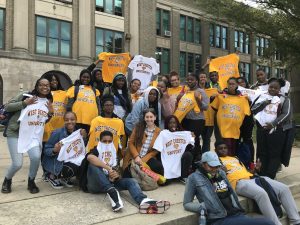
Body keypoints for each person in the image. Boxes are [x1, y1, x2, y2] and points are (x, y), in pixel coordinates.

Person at [216, 141, 300, 225]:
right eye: (220, 149)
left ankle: (296, 220)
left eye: (225, 148)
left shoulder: (235, 158)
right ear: (215, 150)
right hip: (239, 182)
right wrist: (221, 172)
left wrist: (256, 169)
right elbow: (214, 178)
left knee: (284, 188)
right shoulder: (216, 162)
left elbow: (246, 171)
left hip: (254, 178)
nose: (223, 150)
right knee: (261, 193)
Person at [183, 151, 275, 225]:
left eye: (217, 166)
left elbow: (231, 193)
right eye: (211, 166)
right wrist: (201, 207)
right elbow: (187, 203)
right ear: (203, 164)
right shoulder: (194, 178)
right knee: (268, 223)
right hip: (219, 219)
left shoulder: (221, 173)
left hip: (236, 213)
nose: (215, 169)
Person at [86, 130, 166, 212]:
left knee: (131, 181)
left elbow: (119, 174)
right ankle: (112, 193)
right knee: (93, 165)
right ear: (100, 141)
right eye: (104, 141)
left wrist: (115, 176)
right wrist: (109, 169)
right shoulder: (96, 150)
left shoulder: (114, 153)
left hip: (110, 183)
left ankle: (143, 201)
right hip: (96, 185)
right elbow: (90, 157)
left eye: (109, 141)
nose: (107, 143)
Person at [1, 78, 54, 194]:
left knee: (35, 157)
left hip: (32, 134)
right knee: (17, 163)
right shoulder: (25, 95)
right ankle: (7, 180)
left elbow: (42, 120)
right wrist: (25, 103)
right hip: (15, 132)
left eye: (47, 85)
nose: (45, 87)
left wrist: (51, 113)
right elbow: (7, 107)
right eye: (41, 85)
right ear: (37, 85)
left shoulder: (48, 100)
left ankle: (31, 181)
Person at [252, 78, 293, 179]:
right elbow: (253, 109)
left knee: (274, 153)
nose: (273, 89)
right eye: (271, 87)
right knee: (261, 152)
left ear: (279, 89)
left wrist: (274, 124)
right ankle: (261, 173)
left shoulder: (284, 99)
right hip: (261, 130)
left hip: (276, 131)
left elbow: (286, 114)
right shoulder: (261, 96)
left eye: (276, 88)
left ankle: (270, 176)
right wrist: (264, 103)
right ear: (268, 87)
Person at [42, 111, 87, 189]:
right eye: (67, 120)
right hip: (57, 162)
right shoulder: (57, 132)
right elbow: (46, 150)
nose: (69, 122)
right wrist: (55, 150)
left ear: (76, 120)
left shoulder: (79, 132)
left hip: (72, 159)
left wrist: (84, 137)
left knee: (84, 163)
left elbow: (83, 147)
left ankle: (63, 177)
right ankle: (51, 175)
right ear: (64, 121)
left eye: (72, 119)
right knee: (71, 169)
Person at [211, 77, 250, 156]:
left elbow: (247, 113)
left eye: (233, 84)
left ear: (237, 85)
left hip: (235, 130)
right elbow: (214, 108)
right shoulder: (221, 96)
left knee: (233, 150)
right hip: (223, 129)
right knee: (223, 150)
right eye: (229, 84)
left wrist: (248, 100)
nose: (231, 85)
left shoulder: (243, 99)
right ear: (227, 85)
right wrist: (213, 97)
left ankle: (231, 166)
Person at [175, 73, 209, 160]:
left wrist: (198, 99)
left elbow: (205, 107)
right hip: (186, 120)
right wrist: (178, 99)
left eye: (192, 79)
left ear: (196, 81)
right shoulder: (186, 91)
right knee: (186, 141)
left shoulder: (201, 92)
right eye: (188, 79)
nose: (189, 81)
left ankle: (196, 160)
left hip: (197, 121)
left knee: (194, 141)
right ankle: (189, 160)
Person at [153, 115, 194, 183]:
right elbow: (157, 148)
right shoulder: (163, 134)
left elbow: (192, 145)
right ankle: (173, 176)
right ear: (167, 124)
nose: (173, 125)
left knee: (188, 154)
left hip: (180, 162)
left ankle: (183, 176)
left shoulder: (184, 134)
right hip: (168, 165)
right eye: (170, 123)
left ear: (177, 123)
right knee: (165, 183)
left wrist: (192, 136)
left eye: (174, 123)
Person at [123, 109, 163, 176]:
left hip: (147, 157)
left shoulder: (159, 132)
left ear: (155, 117)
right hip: (134, 156)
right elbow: (130, 143)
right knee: (127, 174)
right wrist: (136, 156)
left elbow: (156, 150)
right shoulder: (138, 127)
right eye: (147, 117)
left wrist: (143, 160)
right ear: (144, 118)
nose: (149, 119)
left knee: (159, 167)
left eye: (151, 117)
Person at [66, 69, 101, 134]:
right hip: (76, 121)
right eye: (84, 77)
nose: (85, 79)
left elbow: (98, 105)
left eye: (88, 77)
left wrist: (99, 117)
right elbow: (69, 105)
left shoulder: (95, 90)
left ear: (90, 79)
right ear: (80, 77)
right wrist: (68, 118)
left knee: (87, 141)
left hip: (91, 121)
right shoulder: (74, 88)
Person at [198, 71, 218, 152]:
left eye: (204, 77)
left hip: (209, 119)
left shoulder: (212, 90)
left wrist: (217, 94)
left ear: (206, 79)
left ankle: (206, 157)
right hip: (199, 118)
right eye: (201, 77)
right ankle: (198, 156)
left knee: (206, 139)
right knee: (196, 139)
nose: (202, 78)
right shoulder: (196, 90)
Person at [237, 77, 255, 162]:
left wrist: (250, 100)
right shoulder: (234, 93)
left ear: (246, 83)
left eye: (242, 82)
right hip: (237, 120)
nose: (240, 84)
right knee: (237, 141)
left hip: (247, 120)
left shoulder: (250, 93)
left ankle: (250, 161)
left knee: (247, 141)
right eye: (238, 83)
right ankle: (238, 160)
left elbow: (255, 107)